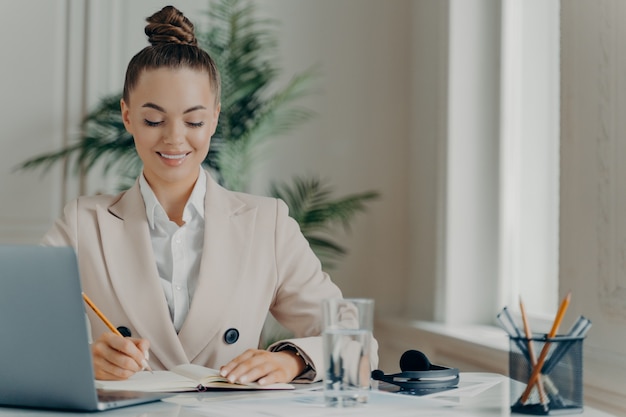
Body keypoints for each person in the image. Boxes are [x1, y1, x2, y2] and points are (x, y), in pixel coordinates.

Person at [41, 5, 377, 385]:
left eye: (194, 120)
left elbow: (357, 342)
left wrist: (291, 362)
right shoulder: (85, 223)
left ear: (214, 118)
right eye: (153, 120)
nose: (174, 137)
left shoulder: (267, 223)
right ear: (127, 116)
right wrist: (83, 360)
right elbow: (18, 332)